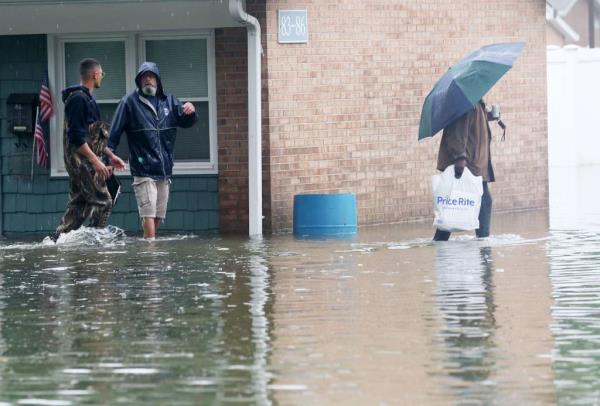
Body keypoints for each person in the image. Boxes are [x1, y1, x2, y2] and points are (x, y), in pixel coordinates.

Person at [108, 62, 198, 239]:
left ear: (157, 80)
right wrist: (110, 154)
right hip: (143, 168)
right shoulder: (129, 102)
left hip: (164, 169)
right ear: (139, 80)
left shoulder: (169, 101)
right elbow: (114, 132)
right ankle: (151, 252)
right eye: (144, 76)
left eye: (151, 76)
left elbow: (187, 122)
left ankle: (148, 243)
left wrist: (191, 111)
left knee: (158, 214)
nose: (148, 79)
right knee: (147, 212)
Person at [50, 58, 125, 242]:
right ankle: (93, 244)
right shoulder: (78, 99)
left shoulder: (87, 99)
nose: (102, 77)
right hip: (81, 162)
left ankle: (57, 241)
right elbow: (76, 137)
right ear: (95, 74)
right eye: (102, 74)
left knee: (79, 205)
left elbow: (92, 137)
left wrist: (110, 155)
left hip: (85, 161)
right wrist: (95, 161)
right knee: (103, 201)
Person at [433, 100, 496, 241]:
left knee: (452, 210)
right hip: (470, 165)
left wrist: (489, 116)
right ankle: (484, 247)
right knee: (484, 202)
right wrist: (459, 156)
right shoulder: (466, 103)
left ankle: (482, 244)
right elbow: (457, 131)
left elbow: (474, 123)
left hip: (476, 164)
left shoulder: (477, 103)